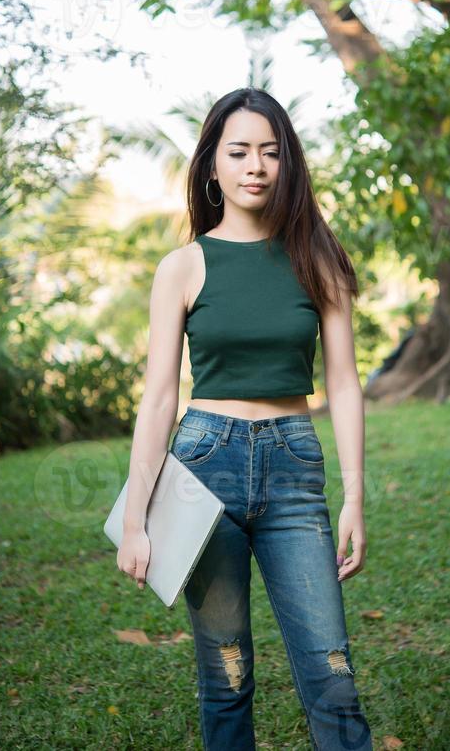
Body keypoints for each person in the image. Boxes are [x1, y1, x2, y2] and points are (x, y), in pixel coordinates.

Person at [118, 87, 373, 750]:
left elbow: (344, 385)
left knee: (331, 668)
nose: (255, 165)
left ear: (287, 163)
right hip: (203, 467)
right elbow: (158, 398)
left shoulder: (318, 257)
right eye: (239, 152)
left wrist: (355, 497)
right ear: (211, 166)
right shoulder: (183, 266)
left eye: (270, 151)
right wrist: (138, 517)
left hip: (294, 468)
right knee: (225, 672)